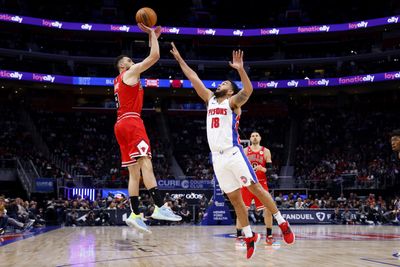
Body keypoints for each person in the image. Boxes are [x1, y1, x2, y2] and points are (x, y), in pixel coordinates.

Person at [170, 43, 294, 259]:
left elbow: (249, 90)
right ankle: (248, 236)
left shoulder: (233, 103)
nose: (220, 84)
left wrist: (239, 69)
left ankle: (282, 223)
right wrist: (180, 59)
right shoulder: (209, 100)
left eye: (225, 83)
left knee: (256, 189)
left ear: (230, 90)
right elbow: (193, 78)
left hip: (234, 153)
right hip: (216, 159)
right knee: (236, 200)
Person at [113, 23, 181, 233]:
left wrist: (152, 36)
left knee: (134, 174)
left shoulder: (117, 81)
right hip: (132, 122)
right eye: (129, 61)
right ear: (123, 67)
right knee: (146, 164)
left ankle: (134, 214)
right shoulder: (130, 73)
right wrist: (152, 36)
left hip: (120, 124)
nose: (134, 63)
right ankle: (160, 207)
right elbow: (154, 57)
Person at [236, 131, 276, 245]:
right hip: (247, 184)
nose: (254, 137)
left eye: (256, 135)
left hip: (261, 183)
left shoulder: (266, 151)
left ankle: (269, 235)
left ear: (260, 138)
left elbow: (270, 171)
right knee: (242, 209)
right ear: (250, 138)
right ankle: (239, 236)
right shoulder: (244, 151)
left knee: (268, 209)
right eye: (252, 136)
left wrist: (262, 169)